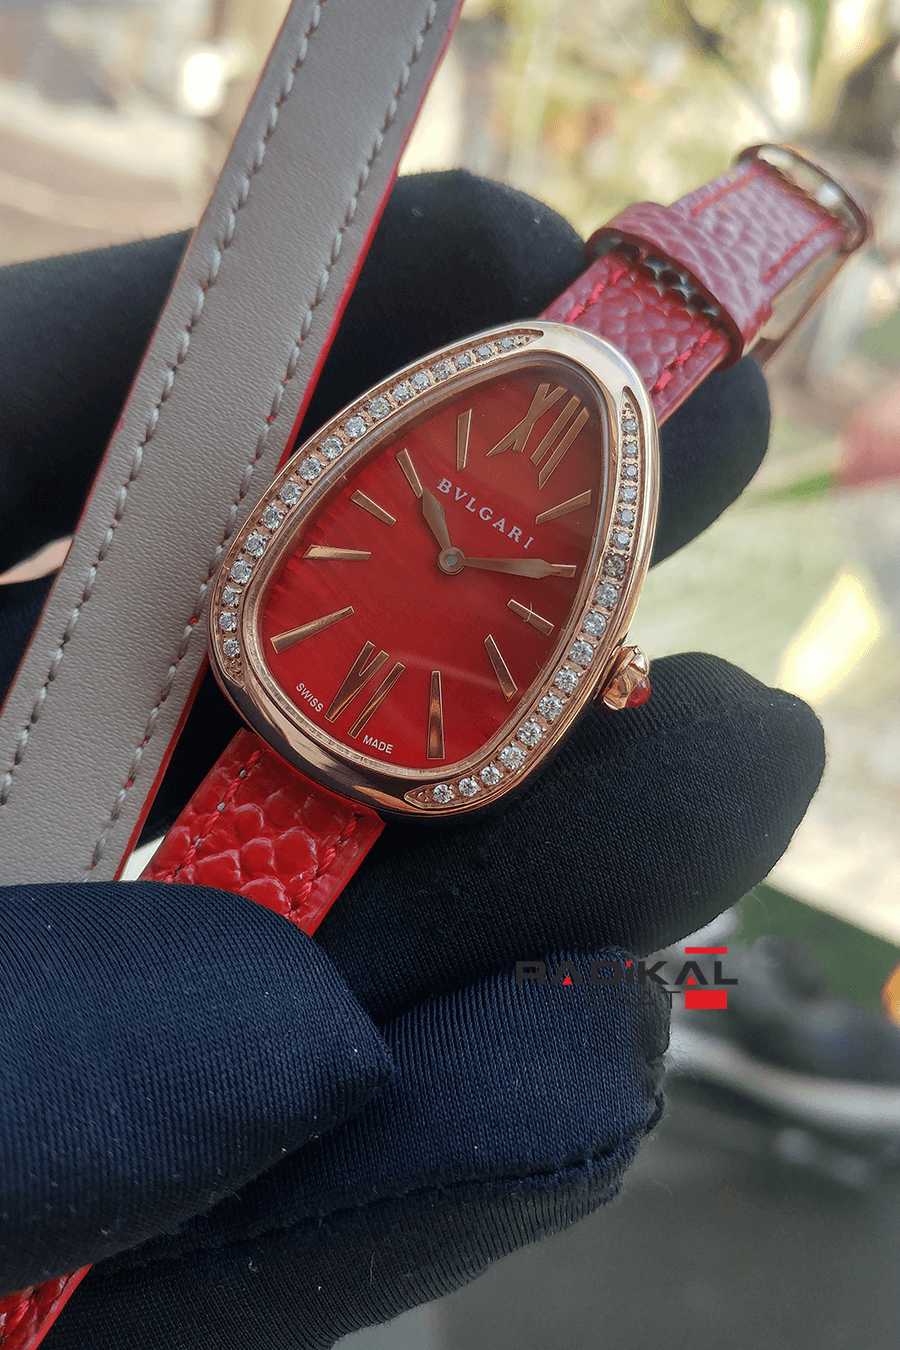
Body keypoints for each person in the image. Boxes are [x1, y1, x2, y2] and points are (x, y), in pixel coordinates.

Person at [0, 170, 825, 1350]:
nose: (455, 558)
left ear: (604, 667)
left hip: (360, 713)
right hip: (295, 677)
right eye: (450, 539)